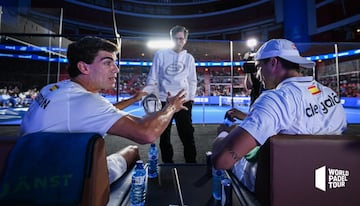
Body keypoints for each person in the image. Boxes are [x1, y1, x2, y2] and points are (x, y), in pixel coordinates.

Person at [19, 36, 188, 184]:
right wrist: (171, 106)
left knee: (126, 152)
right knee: (132, 151)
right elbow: (146, 134)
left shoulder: (53, 89)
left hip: (25, 171)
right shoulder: (87, 101)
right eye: (108, 62)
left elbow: (99, 111)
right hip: (63, 181)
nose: (116, 69)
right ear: (84, 68)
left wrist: (134, 99)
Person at [212, 39, 347, 191]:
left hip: (282, 185)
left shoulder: (275, 99)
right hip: (326, 183)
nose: (258, 75)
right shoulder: (330, 95)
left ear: (273, 63)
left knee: (219, 153)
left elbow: (222, 160)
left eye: (258, 67)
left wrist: (223, 134)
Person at [145, 25, 198, 163]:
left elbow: (192, 80)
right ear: (171, 39)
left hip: (183, 101)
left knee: (187, 134)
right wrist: (148, 94)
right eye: (175, 39)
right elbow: (153, 76)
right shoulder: (160, 54)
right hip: (164, 100)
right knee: (164, 135)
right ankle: (168, 163)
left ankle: (191, 163)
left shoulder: (189, 58)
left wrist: (190, 99)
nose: (178, 41)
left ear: (185, 40)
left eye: (181, 39)